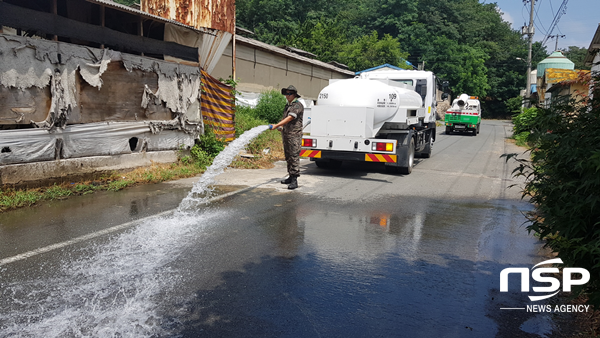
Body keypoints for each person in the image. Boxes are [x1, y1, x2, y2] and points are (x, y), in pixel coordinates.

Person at [268, 85, 304, 190]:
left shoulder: (297, 105)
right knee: (288, 156)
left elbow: (290, 118)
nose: (287, 96)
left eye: (290, 94)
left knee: (293, 156)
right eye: (286, 94)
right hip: (286, 135)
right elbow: (285, 119)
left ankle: (294, 180)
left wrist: (276, 125)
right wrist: (281, 127)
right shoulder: (287, 106)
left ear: (294, 95)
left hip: (294, 136)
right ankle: (290, 176)